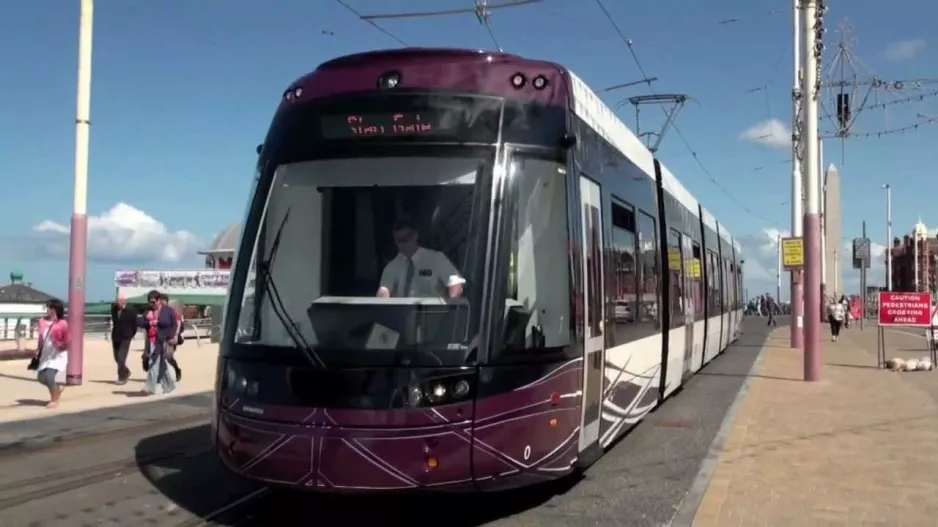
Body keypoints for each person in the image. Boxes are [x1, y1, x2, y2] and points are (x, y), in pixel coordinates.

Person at [376, 217, 466, 299]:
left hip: (432, 314)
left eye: (407, 237)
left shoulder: (436, 259)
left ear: (415, 235)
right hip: (401, 315)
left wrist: (450, 308)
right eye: (400, 240)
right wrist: (382, 300)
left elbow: (455, 284)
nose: (404, 243)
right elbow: (384, 290)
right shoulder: (392, 266)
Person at [141, 290, 178, 395]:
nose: (151, 304)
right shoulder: (148, 311)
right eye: (150, 302)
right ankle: (169, 386)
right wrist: (149, 322)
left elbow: (174, 324)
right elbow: (140, 322)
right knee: (159, 364)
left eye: (153, 302)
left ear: (159, 300)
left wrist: (172, 336)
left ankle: (149, 388)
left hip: (164, 340)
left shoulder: (168, 311)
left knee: (153, 363)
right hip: (152, 341)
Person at [36, 298, 69, 408]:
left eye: (49, 307)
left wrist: (62, 346)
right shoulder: (41, 321)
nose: (47, 309)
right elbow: (41, 337)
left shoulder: (62, 323)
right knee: (41, 377)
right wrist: (38, 349)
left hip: (57, 355)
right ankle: (56, 388)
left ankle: (54, 399)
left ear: (54, 309)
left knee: (49, 376)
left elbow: (67, 339)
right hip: (46, 354)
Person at [109, 294, 138, 384]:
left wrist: (131, 334)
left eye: (120, 301)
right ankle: (126, 371)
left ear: (124, 301)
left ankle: (122, 377)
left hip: (126, 337)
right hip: (116, 336)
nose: (118, 303)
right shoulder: (114, 309)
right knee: (116, 357)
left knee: (121, 357)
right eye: (117, 301)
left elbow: (135, 324)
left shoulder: (131, 311)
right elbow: (114, 322)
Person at [161, 293, 184, 381]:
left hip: (171, 337)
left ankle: (177, 370)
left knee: (168, 356)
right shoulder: (157, 311)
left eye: (164, 301)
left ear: (167, 302)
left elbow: (178, 323)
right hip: (161, 337)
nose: (162, 303)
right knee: (160, 357)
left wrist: (176, 335)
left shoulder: (171, 311)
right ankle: (162, 375)